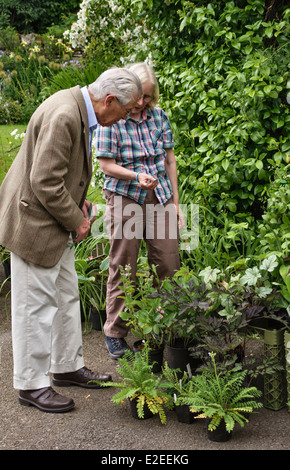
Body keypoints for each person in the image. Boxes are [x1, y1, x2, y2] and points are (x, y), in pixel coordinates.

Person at [0, 67, 142, 413]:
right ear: (108, 100)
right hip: (33, 224)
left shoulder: (76, 109)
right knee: (34, 306)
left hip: (51, 221)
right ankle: (31, 384)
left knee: (65, 295)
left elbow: (58, 174)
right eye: (123, 112)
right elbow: (45, 180)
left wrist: (79, 204)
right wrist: (77, 220)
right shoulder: (65, 114)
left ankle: (66, 366)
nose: (122, 119)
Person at [95, 62, 181, 360]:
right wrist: (135, 176)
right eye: (138, 96)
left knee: (169, 263)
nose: (141, 103)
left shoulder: (159, 118)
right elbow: (105, 164)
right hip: (124, 195)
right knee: (125, 264)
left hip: (160, 196)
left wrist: (177, 205)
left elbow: (169, 161)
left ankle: (161, 327)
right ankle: (115, 331)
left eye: (147, 96)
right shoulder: (113, 118)